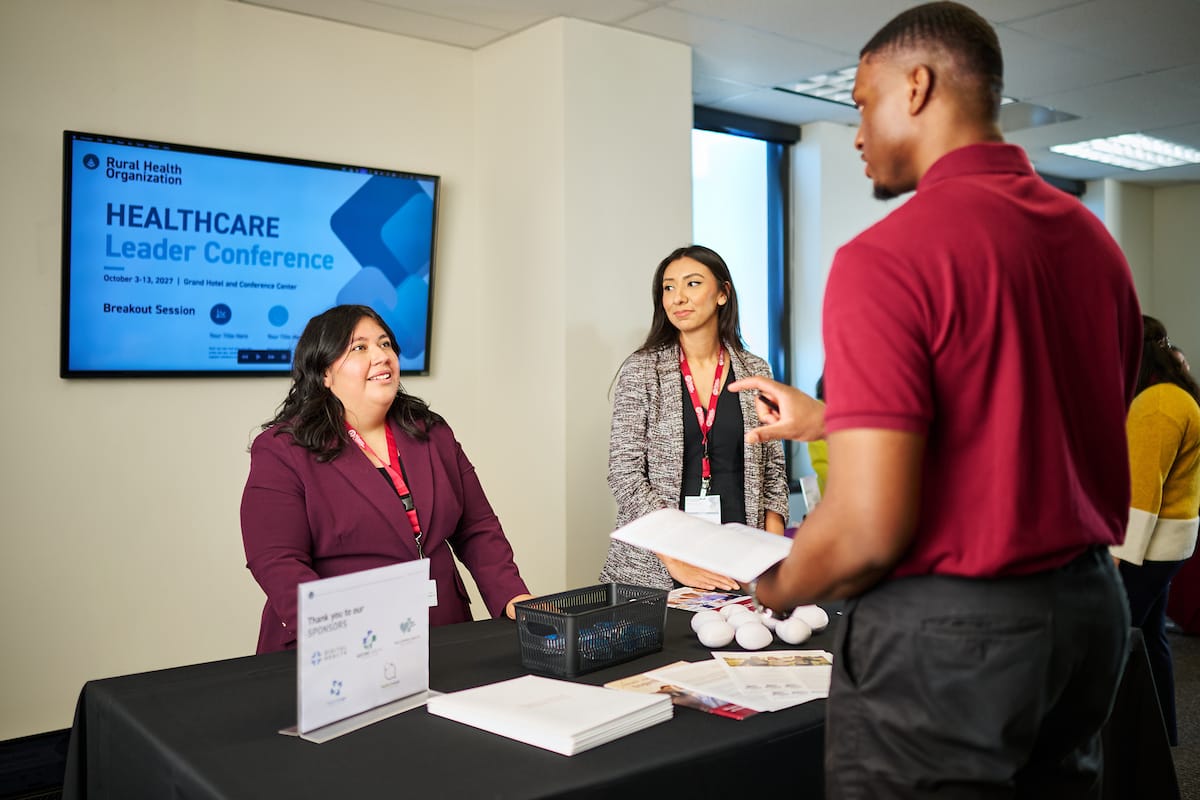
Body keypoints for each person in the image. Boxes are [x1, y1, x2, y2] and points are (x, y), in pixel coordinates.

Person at [729, 3, 1142, 796]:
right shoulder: (1093, 242)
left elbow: (865, 534)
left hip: (955, 641)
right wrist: (834, 422)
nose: (854, 132)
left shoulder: (886, 259)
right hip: (1087, 614)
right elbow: (1040, 427)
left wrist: (772, 582)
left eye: (860, 101)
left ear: (915, 86)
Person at [241, 304, 533, 654]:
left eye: (385, 344)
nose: (381, 356)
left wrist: (512, 596)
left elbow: (477, 527)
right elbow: (277, 560)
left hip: (442, 633)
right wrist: (336, 633)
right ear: (324, 373)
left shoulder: (431, 432)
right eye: (359, 348)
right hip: (341, 647)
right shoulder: (282, 449)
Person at [600, 245, 789, 591]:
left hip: (741, 566)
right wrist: (676, 560)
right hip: (657, 570)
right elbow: (624, 473)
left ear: (722, 293)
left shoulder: (756, 371)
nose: (678, 298)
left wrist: (772, 556)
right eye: (668, 288)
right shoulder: (642, 370)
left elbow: (773, 473)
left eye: (692, 284)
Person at [1111, 315, 1200, 746]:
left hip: (1151, 544)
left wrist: (1115, 557)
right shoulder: (1172, 394)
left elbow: (1143, 494)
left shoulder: (1158, 404)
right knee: (1150, 638)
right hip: (1169, 540)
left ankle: (1121, 744)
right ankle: (1161, 737)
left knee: (1111, 640)